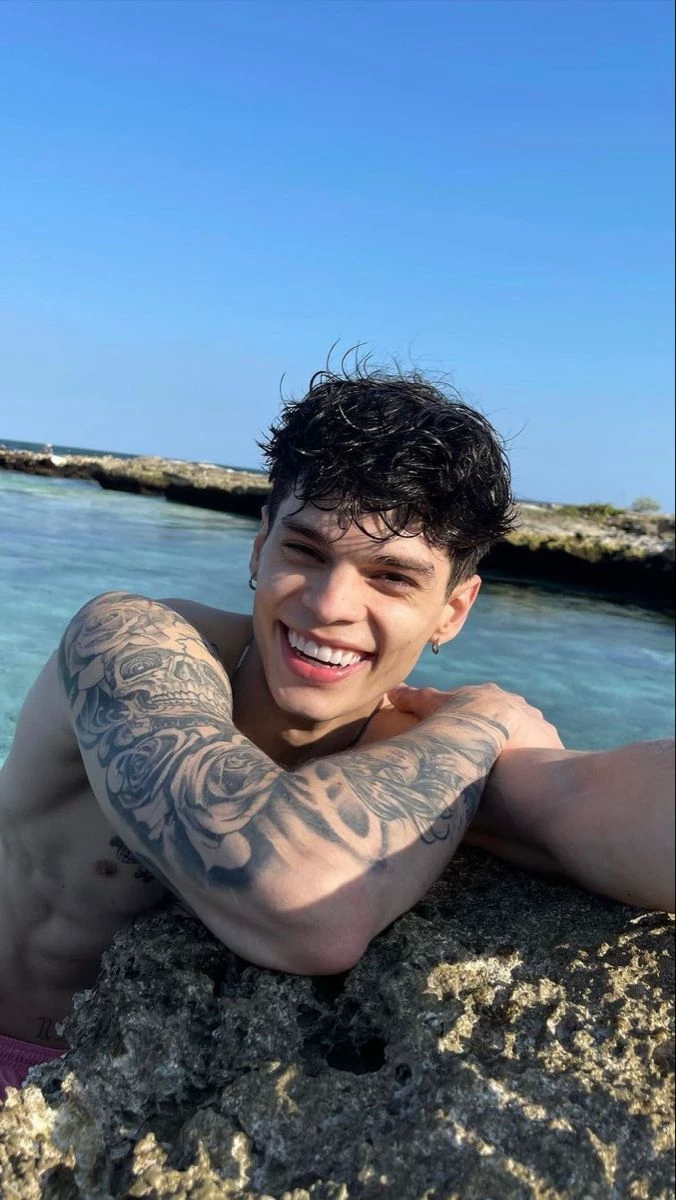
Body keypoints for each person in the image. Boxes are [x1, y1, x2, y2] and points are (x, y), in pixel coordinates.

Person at [0, 362, 673, 1101]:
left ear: (453, 610)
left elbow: (586, 797)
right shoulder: (129, 645)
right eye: (305, 551)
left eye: (392, 577)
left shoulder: (422, 751)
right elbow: (295, 899)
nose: (329, 606)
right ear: (259, 546)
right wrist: (484, 718)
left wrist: (493, 739)